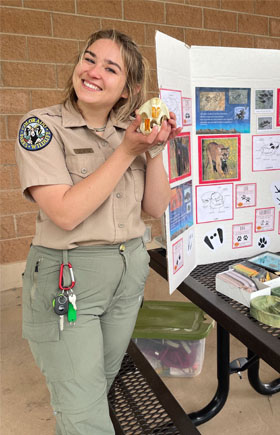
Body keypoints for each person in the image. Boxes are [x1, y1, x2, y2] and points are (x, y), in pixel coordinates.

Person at [15, 29, 181, 434]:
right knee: (84, 409)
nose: (92, 72)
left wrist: (156, 150)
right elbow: (65, 214)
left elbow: (155, 208)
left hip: (128, 276)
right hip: (68, 280)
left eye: (110, 68)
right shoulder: (41, 127)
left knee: (97, 386)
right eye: (89, 59)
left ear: (128, 90)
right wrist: (128, 151)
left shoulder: (131, 132)